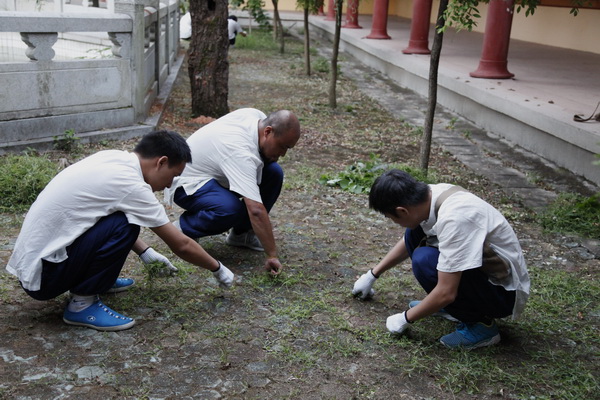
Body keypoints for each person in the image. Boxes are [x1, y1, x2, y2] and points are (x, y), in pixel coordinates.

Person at [6, 130, 234, 332]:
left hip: (38, 263)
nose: (169, 185)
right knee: (126, 224)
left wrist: (146, 252)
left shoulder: (113, 158)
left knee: (120, 218)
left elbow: (96, 213)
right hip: (46, 276)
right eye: (173, 176)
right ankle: (81, 304)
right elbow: (181, 245)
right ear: (161, 162)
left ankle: (96, 280)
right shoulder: (131, 184)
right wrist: (218, 268)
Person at [352, 169, 530, 349]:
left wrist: (405, 318)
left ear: (402, 210)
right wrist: (372, 274)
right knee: (414, 233)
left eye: (392, 218)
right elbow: (408, 242)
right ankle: (454, 307)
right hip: (483, 274)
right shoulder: (429, 197)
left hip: (502, 294)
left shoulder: (455, 219)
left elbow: (446, 292)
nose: (393, 222)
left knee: (424, 261)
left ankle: (481, 327)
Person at [165, 108, 301, 276]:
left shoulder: (256, 117)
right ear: (267, 132)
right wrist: (271, 254)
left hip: (215, 175)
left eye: (288, 148)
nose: (283, 153)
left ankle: (241, 235)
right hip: (186, 182)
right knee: (229, 209)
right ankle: (184, 229)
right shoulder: (239, 150)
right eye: (282, 146)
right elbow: (256, 210)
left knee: (273, 173)